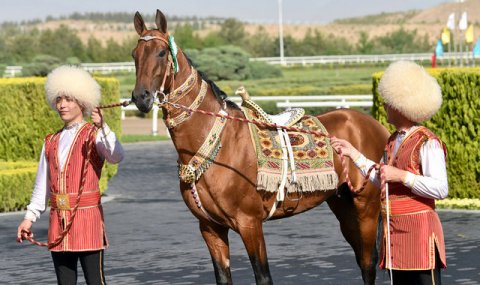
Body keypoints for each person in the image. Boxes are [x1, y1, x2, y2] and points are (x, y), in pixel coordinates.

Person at [331, 61, 448, 284]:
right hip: (394, 233)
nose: (384, 105)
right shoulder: (392, 141)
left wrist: (402, 176)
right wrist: (353, 153)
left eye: (388, 102)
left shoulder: (428, 142)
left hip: (420, 233)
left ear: (400, 105)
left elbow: (441, 188)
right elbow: (381, 178)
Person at [16, 65, 124, 285]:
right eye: (58, 99)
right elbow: (42, 186)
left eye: (68, 99)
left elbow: (116, 155)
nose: (62, 105)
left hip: (88, 220)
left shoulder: (95, 135)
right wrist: (29, 218)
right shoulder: (50, 141)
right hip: (58, 223)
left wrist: (103, 127)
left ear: (82, 102)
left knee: (96, 282)